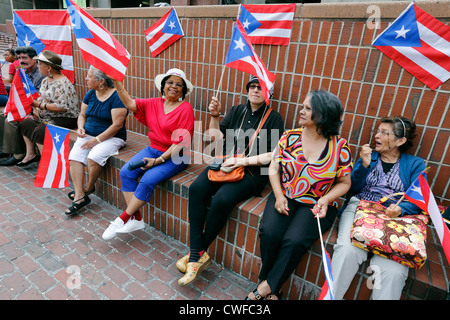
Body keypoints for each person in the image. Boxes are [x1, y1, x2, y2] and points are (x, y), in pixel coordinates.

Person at [177, 76, 285, 287]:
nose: (255, 90)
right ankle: (198, 254)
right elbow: (215, 139)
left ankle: (194, 255)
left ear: (268, 94)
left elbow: (274, 155)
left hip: (253, 172)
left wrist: (241, 161)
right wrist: (215, 116)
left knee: (222, 199)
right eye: (252, 86)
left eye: (260, 87)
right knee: (197, 189)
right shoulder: (237, 111)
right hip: (225, 165)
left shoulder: (274, 118)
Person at [246, 90, 353, 300]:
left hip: (316, 204)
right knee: (269, 232)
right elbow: (274, 168)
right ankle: (272, 288)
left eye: (307, 108)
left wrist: (325, 199)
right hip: (285, 196)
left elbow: (345, 183)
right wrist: (278, 196)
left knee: (294, 241)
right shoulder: (289, 137)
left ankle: (264, 288)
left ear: (322, 114)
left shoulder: (340, 146)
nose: (301, 111)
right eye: (302, 106)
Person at [331, 116, 425, 300]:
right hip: (360, 208)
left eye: (384, 132)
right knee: (347, 251)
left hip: (394, 220)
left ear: (401, 140)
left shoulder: (415, 164)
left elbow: (419, 197)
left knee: (394, 270)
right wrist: (363, 165)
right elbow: (351, 188)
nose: (377, 135)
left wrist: (401, 209)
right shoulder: (370, 156)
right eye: (378, 130)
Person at [102, 68, 195, 240]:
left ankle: (121, 219)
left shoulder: (185, 109)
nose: (174, 86)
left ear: (183, 90)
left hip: (177, 155)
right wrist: (117, 82)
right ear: (163, 85)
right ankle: (136, 218)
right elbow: (130, 103)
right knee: (126, 172)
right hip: (154, 148)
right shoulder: (153, 103)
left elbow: (180, 143)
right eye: (170, 82)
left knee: (147, 180)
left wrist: (158, 160)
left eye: (178, 84)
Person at [65, 66, 128, 216]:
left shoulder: (117, 96)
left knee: (94, 157)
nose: (86, 79)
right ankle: (80, 196)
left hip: (112, 138)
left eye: (89, 76)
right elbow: (82, 115)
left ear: (101, 81)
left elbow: (117, 125)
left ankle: (88, 188)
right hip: (88, 135)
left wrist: (97, 140)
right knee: (74, 157)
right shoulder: (91, 94)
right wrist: (80, 128)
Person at [17, 50, 79, 167]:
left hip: (65, 117)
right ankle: (31, 154)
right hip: (48, 114)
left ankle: (47, 164)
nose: (38, 66)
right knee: (26, 123)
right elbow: (41, 98)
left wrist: (40, 106)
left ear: (49, 68)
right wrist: (36, 110)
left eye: (40, 64)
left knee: (40, 130)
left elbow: (62, 107)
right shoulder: (45, 80)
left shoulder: (62, 83)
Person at [0, 46, 45, 165]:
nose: (21, 61)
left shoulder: (40, 75)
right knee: (3, 115)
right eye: (19, 58)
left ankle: (18, 153)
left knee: (12, 120)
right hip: (25, 106)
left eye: (24, 57)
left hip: (36, 108)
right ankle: (5, 149)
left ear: (34, 59)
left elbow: (38, 97)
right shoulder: (23, 72)